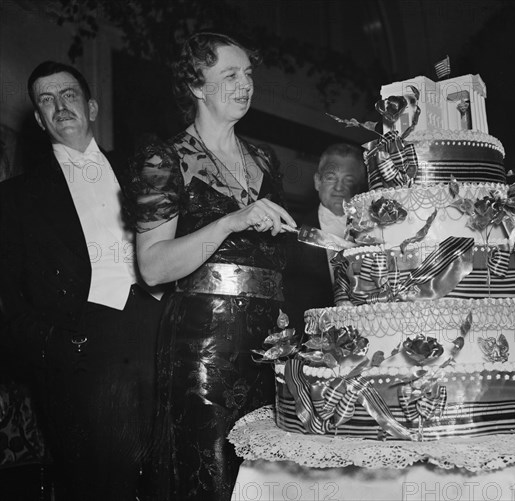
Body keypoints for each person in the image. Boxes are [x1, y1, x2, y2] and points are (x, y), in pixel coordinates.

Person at [128, 32, 296, 500]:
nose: (246, 84)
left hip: (270, 343)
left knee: (266, 478)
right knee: (214, 477)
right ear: (197, 87)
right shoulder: (161, 160)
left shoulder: (265, 159)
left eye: (248, 74)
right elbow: (154, 268)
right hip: (204, 346)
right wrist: (232, 221)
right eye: (230, 75)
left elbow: (271, 263)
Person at [0, 61, 164, 500]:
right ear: (38, 119)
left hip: (159, 337)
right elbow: (6, 303)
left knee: (168, 480)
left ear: (91, 106)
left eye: (68, 95)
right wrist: (57, 346)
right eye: (46, 100)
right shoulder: (14, 198)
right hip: (84, 356)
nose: (59, 106)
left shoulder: (140, 173)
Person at [284, 143, 367, 332]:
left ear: (360, 187)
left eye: (348, 180)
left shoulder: (375, 235)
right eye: (331, 178)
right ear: (317, 182)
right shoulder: (292, 234)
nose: (339, 187)